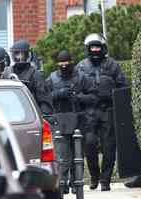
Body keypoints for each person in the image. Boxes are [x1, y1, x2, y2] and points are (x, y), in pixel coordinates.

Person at [76, 33, 128, 191]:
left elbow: (122, 86)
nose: (95, 50)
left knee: (109, 147)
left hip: (107, 110)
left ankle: (105, 180)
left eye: (98, 47)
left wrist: (115, 99)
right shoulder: (81, 66)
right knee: (89, 144)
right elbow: (76, 89)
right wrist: (84, 100)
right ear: (88, 49)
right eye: (92, 47)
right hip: (89, 113)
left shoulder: (113, 65)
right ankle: (94, 176)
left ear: (103, 48)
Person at [46, 50, 96, 195]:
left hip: (78, 121)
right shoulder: (52, 78)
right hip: (60, 122)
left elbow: (94, 97)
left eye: (66, 62)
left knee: (77, 157)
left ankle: (76, 183)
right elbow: (44, 97)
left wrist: (80, 98)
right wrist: (58, 94)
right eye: (60, 63)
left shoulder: (81, 78)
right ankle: (62, 184)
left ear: (71, 61)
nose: (63, 65)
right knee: (63, 157)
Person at [4, 39, 51, 115]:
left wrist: (44, 117)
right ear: (13, 55)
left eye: (22, 54)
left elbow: (44, 101)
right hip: (10, 115)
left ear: (28, 55)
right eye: (17, 54)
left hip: (30, 116)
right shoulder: (7, 73)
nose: (19, 57)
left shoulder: (36, 75)